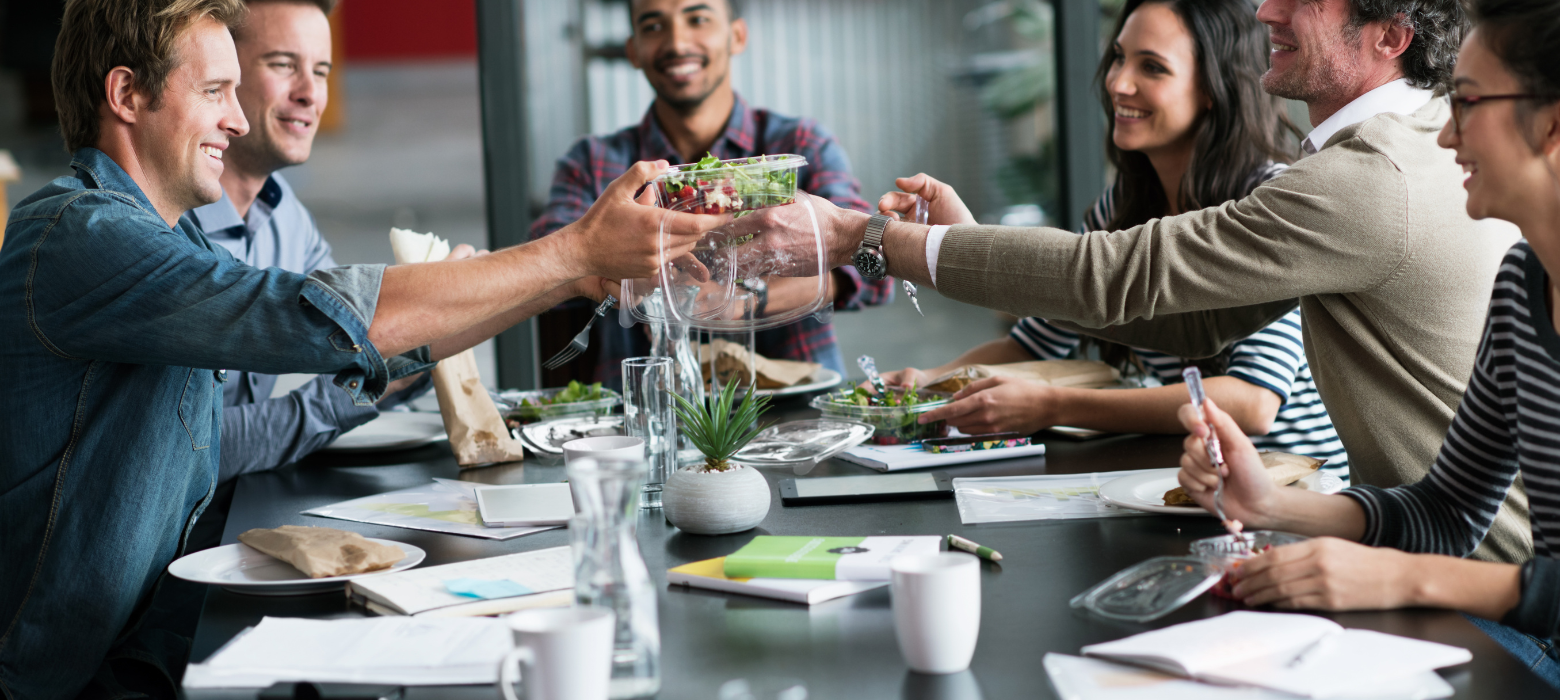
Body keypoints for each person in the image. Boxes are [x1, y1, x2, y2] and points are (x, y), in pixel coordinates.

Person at [0, 0, 710, 695]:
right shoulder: (78, 236)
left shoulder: (168, 239)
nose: (238, 117)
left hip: (146, 645)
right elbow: (315, 322)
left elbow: (369, 347)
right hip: (67, 677)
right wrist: (570, 248)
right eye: (215, 90)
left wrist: (569, 278)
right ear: (126, 93)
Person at [748, 0, 1530, 562]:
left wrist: (869, 237)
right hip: (1412, 536)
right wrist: (956, 239)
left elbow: (1118, 278)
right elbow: (1189, 323)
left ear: (1390, 35)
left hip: (1472, 572)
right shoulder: (1395, 150)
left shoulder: (1364, 178)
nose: (1265, 10)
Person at [1173, 0, 1560, 683]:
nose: (1446, 136)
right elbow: (1448, 510)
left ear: (1552, 125)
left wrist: (1400, 576)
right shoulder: (1522, 285)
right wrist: (1275, 506)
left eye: (1466, 103)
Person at [882, 0, 1348, 479]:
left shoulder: (1269, 202)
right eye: (1119, 58)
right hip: (1181, 480)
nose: (1118, 82)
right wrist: (929, 381)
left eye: (1152, 67)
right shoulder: (1123, 204)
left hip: (1288, 489)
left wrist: (1055, 406)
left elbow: (1251, 402)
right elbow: (1039, 338)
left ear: (1214, 87)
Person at [529, 0, 891, 386]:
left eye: (698, 19)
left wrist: (740, 301)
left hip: (797, 414)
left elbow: (873, 267)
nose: (677, 41)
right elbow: (544, 273)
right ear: (633, 50)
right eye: (653, 26)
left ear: (737, 35)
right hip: (650, 418)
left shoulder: (802, 143)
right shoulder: (592, 163)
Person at [182, 0, 434, 553]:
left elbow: (359, 346)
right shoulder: (163, 226)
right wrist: (413, 342)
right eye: (282, 64)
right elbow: (195, 450)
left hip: (234, 532)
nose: (310, 93)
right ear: (220, 74)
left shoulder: (286, 216)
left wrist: (436, 314)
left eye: (320, 70)